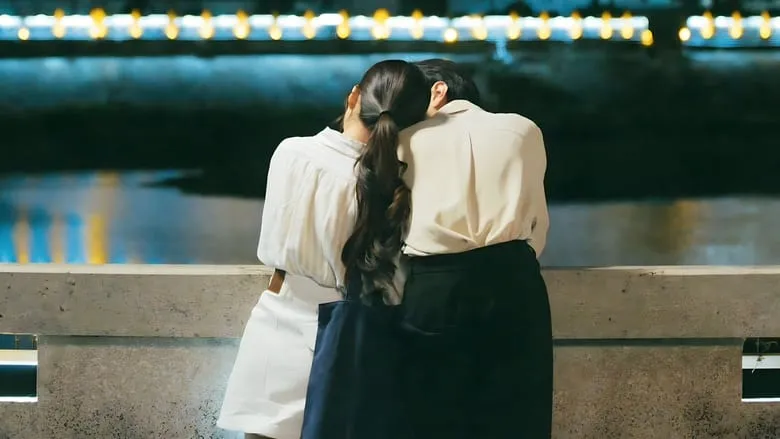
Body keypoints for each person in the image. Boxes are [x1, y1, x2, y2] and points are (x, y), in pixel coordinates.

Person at [216, 59, 430, 439]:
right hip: (350, 331)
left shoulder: (292, 152)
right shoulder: (393, 184)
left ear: (354, 97)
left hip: (279, 314)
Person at [397, 59, 553, 438]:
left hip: (432, 285)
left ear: (438, 91)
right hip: (513, 280)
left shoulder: (404, 141)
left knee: (429, 416)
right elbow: (537, 222)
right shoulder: (522, 130)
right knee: (517, 416)